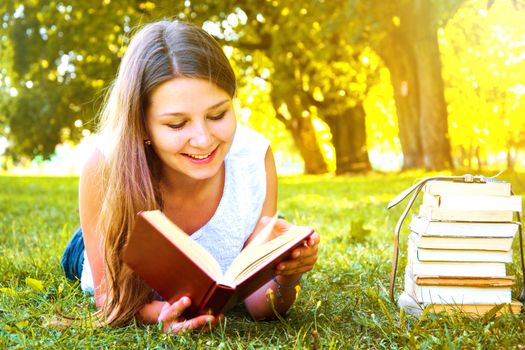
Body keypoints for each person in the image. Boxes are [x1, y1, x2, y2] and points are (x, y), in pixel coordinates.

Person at [60, 20, 320, 333]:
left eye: (217, 114)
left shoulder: (254, 157)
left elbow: (260, 307)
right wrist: (159, 314)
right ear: (142, 124)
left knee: (271, 233)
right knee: (84, 255)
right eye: (176, 124)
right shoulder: (104, 163)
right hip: (98, 242)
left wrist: (286, 278)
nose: (203, 139)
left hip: (231, 235)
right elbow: (110, 299)